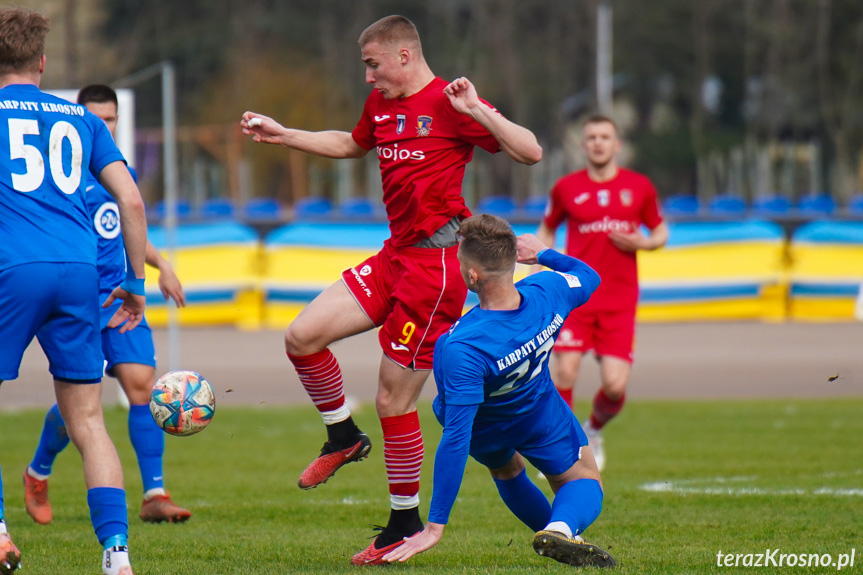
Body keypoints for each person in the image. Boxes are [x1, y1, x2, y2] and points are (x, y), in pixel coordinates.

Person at [240, 14, 542, 564]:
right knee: (302, 336)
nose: (367, 77)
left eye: (372, 64)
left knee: (392, 399)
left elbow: (530, 151)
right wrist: (285, 134)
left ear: (404, 56)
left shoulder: (451, 103)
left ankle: (403, 523)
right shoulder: (382, 106)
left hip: (438, 269)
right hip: (394, 256)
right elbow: (352, 144)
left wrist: (477, 109)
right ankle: (342, 438)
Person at [0, 8, 148, 575]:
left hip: (14, 268)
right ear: (42, 61)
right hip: (81, 272)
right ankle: (116, 556)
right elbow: (131, 202)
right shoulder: (82, 120)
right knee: (88, 419)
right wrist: (134, 283)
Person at [382, 214, 615, 568]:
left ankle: (558, 534)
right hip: (537, 410)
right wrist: (544, 254)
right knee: (583, 478)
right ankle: (561, 528)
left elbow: (456, 437)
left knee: (507, 471)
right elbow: (590, 277)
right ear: (512, 262)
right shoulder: (548, 293)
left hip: (483, 425)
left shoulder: (461, 346)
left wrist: (435, 525)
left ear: (472, 275)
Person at [22, 84, 191, 528]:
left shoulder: (118, 169)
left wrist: (162, 265)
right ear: (79, 120)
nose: (105, 126)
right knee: (83, 401)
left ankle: (154, 493)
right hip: (77, 294)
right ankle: (38, 471)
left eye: (111, 120)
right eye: (97, 118)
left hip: (121, 294)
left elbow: (126, 225)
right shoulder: (61, 173)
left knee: (141, 383)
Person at [536, 114, 668, 471]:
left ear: (617, 144)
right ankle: (560, 446)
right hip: (577, 297)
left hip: (620, 301)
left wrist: (644, 242)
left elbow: (660, 232)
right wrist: (537, 266)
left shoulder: (639, 187)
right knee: (564, 373)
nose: (597, 142)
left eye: (604, 137)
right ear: (583, 145)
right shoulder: (566, 188)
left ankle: (592, 429)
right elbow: (546, 230)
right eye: (591, 137)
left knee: (614, 385)